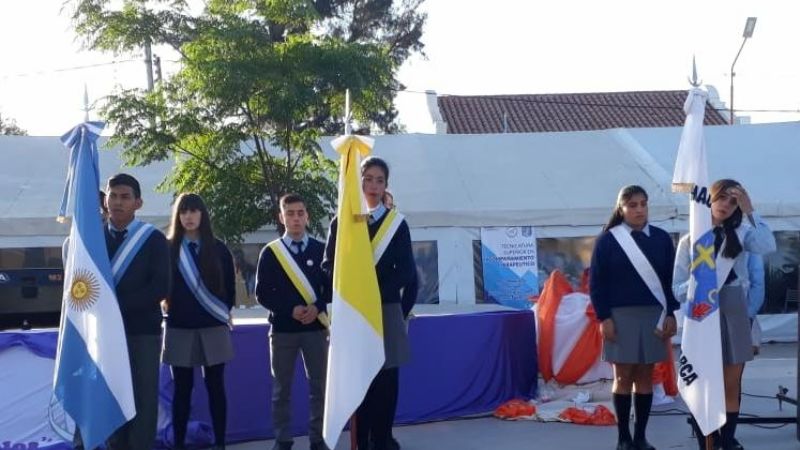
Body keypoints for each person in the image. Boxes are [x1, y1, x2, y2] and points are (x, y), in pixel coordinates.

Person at [323, 156, 418, 450]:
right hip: (354, 312)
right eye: (368, 179)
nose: (373, 186)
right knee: (359, 379)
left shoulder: (396, 225)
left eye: (379, 180)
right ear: (357, 182)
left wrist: (376, 294)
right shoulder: (342, 221)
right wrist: (352, 291)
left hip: (385, 309)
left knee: (387, 380)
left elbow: (406, 271)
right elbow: (329, 266)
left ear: (386, 185)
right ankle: (360, 440)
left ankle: (383, 437)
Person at [673, 179, 776, 450]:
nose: (726, 205)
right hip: (702, 312)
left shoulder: (742, 234)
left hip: (733, 309)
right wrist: (695, 284)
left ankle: (727, 442)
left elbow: (768, 245)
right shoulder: (690, 240)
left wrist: (750, 209)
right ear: (710, 198)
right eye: (722, 198)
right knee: (702, 385)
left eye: (733, 201)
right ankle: (706, 442)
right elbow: (676, 288)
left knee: (731, 384)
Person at [589, 185, 678, 450]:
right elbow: (597, 283)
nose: (639, 209)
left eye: (643, 204)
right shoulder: (607, 240)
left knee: (645, 376)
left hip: (653, 315)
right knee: (623, 376)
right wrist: (604, 317)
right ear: (621, 208)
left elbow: (671, 280)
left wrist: (671, 312)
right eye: (632, 205)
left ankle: (641, 437)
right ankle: (623, 439)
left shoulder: (662, 238)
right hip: (619, 316)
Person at [256, 193, 332, 450]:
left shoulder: (321, 250)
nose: (296, 218)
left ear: (307, 216)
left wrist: (317, 307)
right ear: (281, 217)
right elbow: (262, 293)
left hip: (315, 328)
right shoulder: (271, 252)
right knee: (281, 390)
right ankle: (283, 439)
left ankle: (317, 438)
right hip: (283, 331)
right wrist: (291, 309)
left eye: (300, 213)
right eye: (290, 213)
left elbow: (332, 288)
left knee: (319, 387)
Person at [163, 193, 235, 450]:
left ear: (202, 215)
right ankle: (179, 443)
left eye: (194, 211)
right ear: (177, 216)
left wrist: (220, 313)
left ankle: (220, 443)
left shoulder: (218, 249)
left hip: (213, 326)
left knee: (216, 387)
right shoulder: (168, 248)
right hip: (179, 328)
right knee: (182, 390)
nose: (189, 216)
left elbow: (229, 290)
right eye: (184, 211)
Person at [104, 173, 171, 450]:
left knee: (143, 400)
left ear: (138, 203)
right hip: (104, 334)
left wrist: (115, 305)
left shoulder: (153, 239)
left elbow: (161, 286)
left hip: (142, 332)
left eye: (125, 197)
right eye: (113, 196)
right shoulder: (92, 238)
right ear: (105, 199)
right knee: (110, 398)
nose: (118, 202)